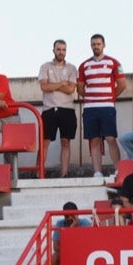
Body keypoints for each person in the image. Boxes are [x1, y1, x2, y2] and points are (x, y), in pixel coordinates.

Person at [78, 34, 126, 181]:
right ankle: (97, 172)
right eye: (93, 44)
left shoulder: (114, 63)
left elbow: (122, 85)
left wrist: (109, 98)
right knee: (94, 140)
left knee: (111, 138)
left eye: (98, 44)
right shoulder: (84, 65)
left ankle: (118, 170)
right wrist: (91, 99)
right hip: (90, 108)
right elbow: (80, 88)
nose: (96, 46)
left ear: (104, 45)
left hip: (107, 107)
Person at [38, 39, 79, 177]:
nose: (61, 52)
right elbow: (44, 87)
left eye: (63, 49)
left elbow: (71, 89)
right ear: (53, 50)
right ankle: (39, 173)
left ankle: (64, 174)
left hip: (67, 109)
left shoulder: (72, 68)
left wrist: (53, 85)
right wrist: (62, 83)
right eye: (58, 49)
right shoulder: (45, 67)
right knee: (44, 142)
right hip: (49, 109)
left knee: (66, 141)